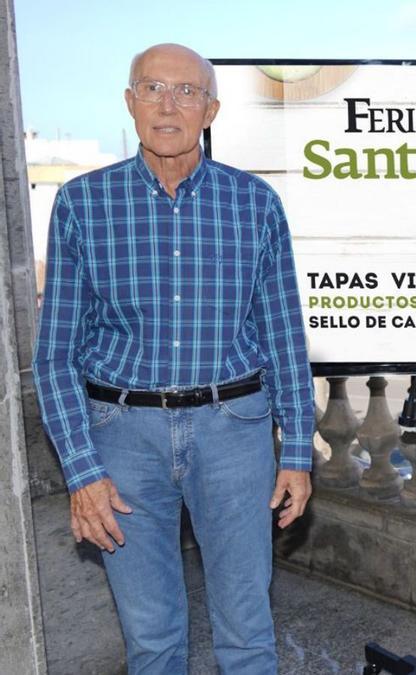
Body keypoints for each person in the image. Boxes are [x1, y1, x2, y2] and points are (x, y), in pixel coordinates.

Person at [33, 44, 314, 674]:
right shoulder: (81, 204)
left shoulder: (256, 204)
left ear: (210, 109)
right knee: (152, 640)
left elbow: (284, 339)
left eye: (187, 91)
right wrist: (82, 473)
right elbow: (53, 358)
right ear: (129, 102)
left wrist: (296, 450)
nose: (169, 103)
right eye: (153, 87)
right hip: (120, 442)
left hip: (235, 433)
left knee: (247, 634)